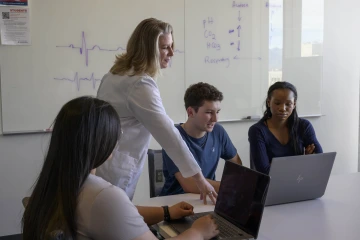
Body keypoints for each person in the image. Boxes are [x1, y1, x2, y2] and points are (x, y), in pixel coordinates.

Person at [22, 96, 219, 240]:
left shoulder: (54, 183)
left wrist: (166, 212)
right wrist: (198, 232)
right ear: (101, 141)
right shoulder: (102, 195)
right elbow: (111, 207)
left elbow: (120, 213)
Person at [96, 18, 217, 204]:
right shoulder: (140, 84)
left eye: (171, 46)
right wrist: (199, 179)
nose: (171, 53)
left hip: (104, 164)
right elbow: (168, 134)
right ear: (148, 50)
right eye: (164, 47)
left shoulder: (114, 75)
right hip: (116, 170)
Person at [161, 82, 242, 196]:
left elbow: (237, 164)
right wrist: (231, 187)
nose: (215, 119)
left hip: (208, 198)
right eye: (209, 112)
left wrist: (238, 184)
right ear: (190, 112)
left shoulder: (218, 131)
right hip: (177, 203)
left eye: (217, 112)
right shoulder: (173, 137)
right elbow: (190, 184)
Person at [248, 81, 323, 174]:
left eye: (288, 104)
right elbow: (264, 171)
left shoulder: (304, 126)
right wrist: (304, 161)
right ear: (268, 102)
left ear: (294, 104)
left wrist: (275, 165)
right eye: (277, 103)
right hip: (269, 186)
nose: (283, 108)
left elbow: (319, 160)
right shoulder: (257, 130)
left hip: (298, 182)